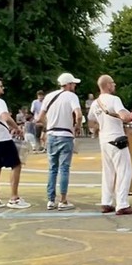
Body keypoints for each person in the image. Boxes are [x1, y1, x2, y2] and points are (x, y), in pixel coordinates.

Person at [88, 74, 132, 215]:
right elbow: (125, 117)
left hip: (104, 139)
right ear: (108, 85)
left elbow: (91, 123)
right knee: (124, 171)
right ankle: (122, 204)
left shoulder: (95, 103)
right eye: (113, 83)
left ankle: (106, 202)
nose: (114, 85)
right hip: (117, 138)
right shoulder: (114, 100)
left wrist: (100, 127)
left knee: (108, 172)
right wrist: (127, 115)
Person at [0, 77, 30, 210]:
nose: (3, 88)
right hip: (2, 138)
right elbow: (5, 117)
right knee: (16, 165)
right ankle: (14, 198)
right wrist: (16, 128)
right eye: (1, 86)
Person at [40, 73, 84, 210]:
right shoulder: (72, 97)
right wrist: (77, 126)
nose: (75, 85)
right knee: (64, 168)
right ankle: (63, 200)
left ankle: (50, 200)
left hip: (52, 134)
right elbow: (79, 114)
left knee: (52, 168)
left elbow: (40, 117)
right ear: (68, 84)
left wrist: (47, 127)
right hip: (66, 134)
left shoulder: (49, 96)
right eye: (73, 83)